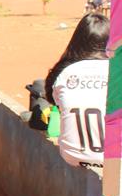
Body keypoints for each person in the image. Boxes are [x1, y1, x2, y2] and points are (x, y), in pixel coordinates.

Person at [45, 13, 110, 168]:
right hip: (113, 160)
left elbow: (55, 102)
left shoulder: (63, 72)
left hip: (72, 157)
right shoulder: (119, 71)